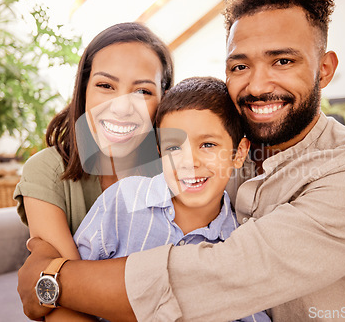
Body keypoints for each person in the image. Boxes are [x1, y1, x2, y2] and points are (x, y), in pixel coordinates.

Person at [18, 0, 345, 321]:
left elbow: (216, 279)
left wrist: (51, 277)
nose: (258, 85)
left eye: (284, 60)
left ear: (324, 69)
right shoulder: (214, 160)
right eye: (239, 66)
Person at [74, 76, 270, 322]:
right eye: (174, 148)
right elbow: (69, 285)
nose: (189, 162)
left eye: (208, 144)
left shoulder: (240, 245)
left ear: (239, 153)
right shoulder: (121, 201)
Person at [13, 22, 173, 321]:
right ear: (84, 90)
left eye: (142, 91)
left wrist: (62, 279)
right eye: (105, 85)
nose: (122, 107)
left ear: (163, 101)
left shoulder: (180, 173)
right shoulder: (47, 170)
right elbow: (68, 302)